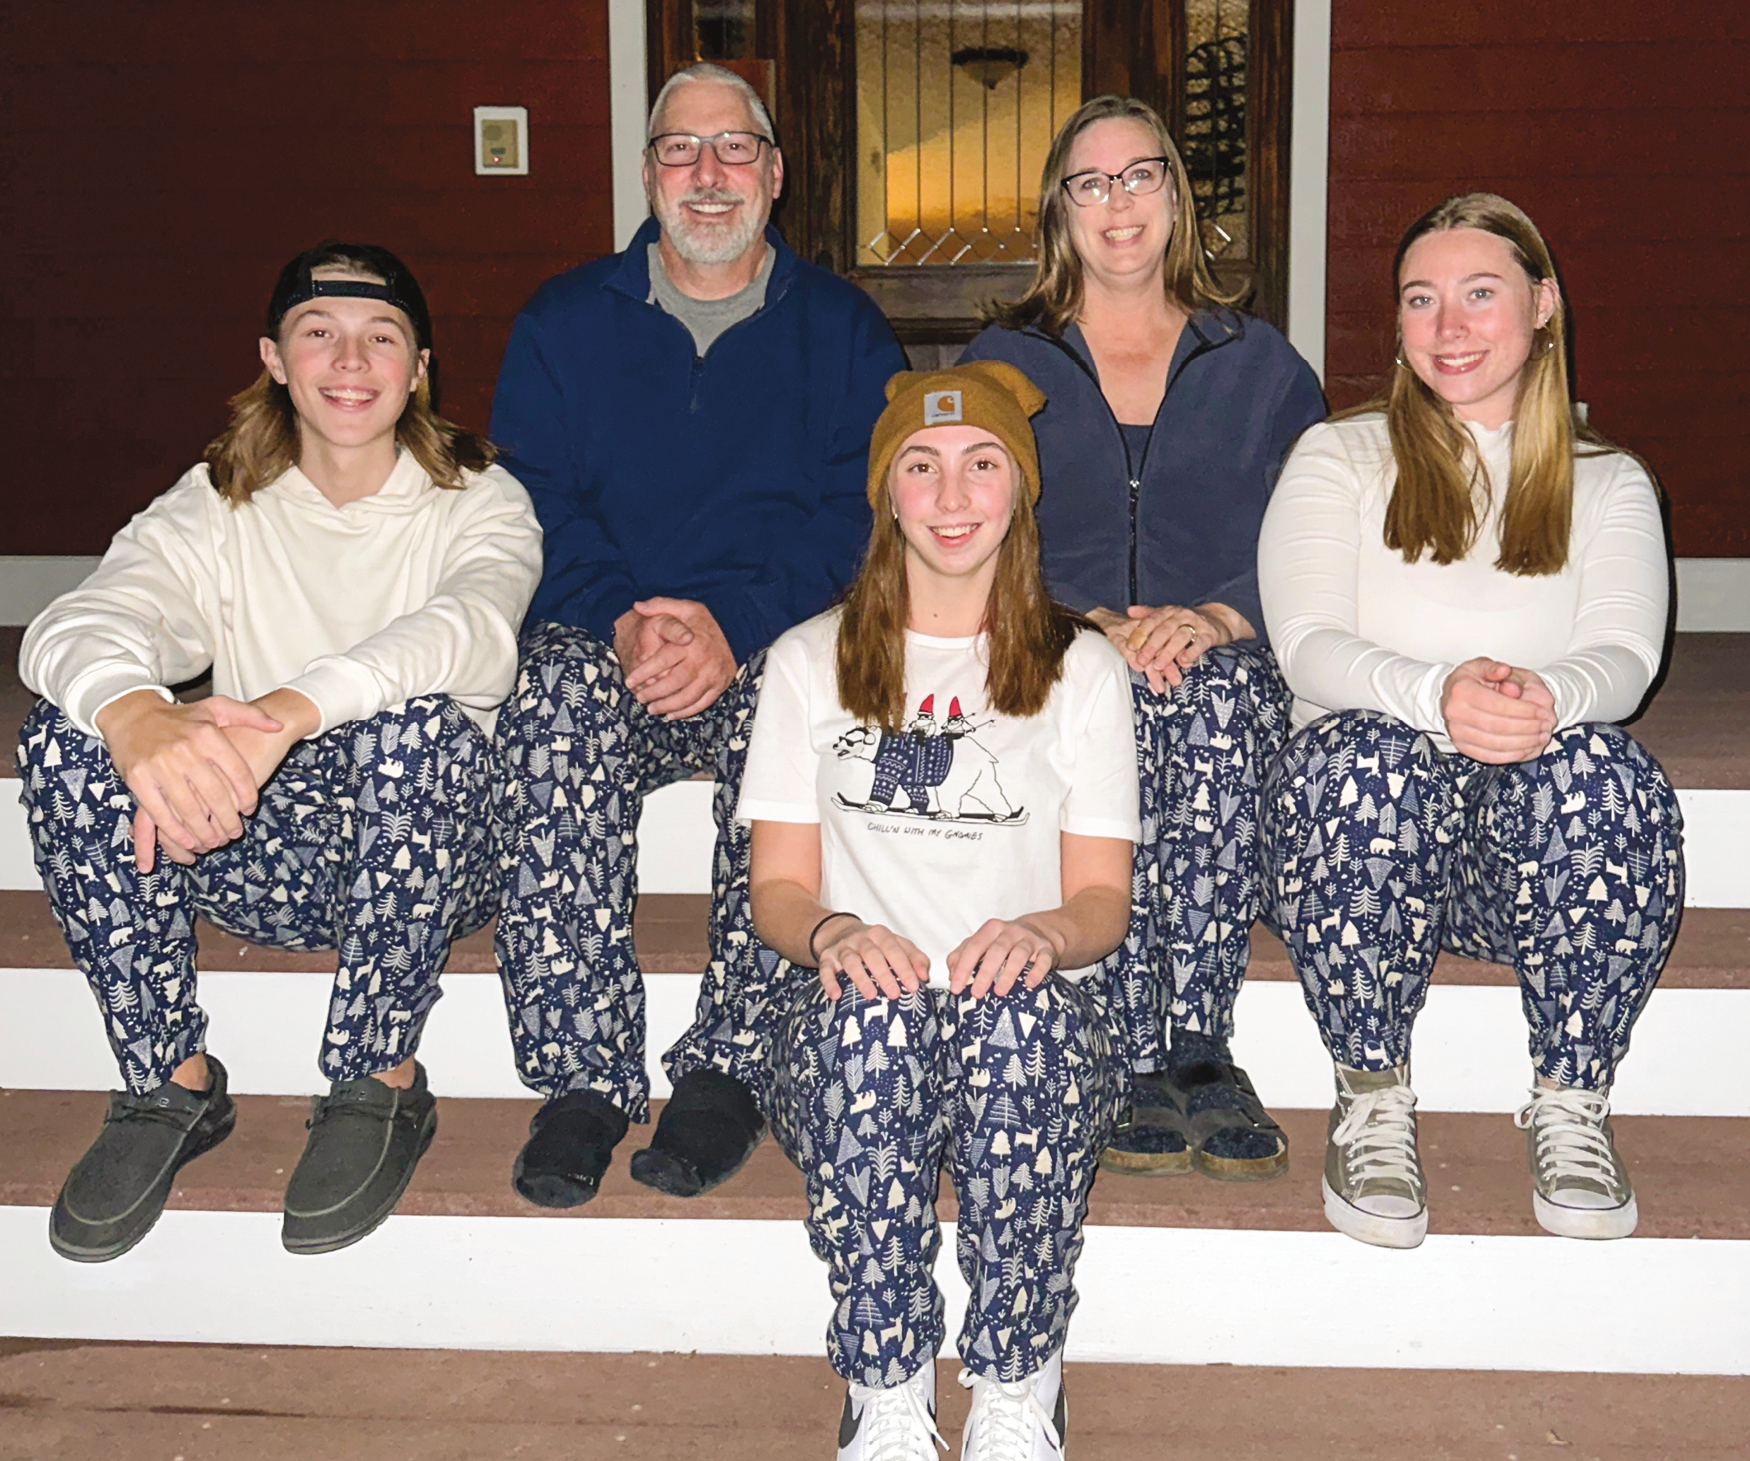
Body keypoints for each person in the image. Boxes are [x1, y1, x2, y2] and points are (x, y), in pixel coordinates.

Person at [16, 242, 541, 1261]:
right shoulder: (219, 499)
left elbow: (473, 631)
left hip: (434, 858)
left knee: (416, 723)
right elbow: (82, 623)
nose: (350, 361)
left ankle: (376, 1074)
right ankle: (168, 1078)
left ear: (420, 366)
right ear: (274, 357)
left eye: (380, 337)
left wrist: (290, 712)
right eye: (319, 334)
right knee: (67, 735)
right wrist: (137, 716)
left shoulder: (479, 498)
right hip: (252, 840)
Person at [488, 62, 905, 1208]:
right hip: (602, 629)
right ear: (647, 172)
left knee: (804, 706)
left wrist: (735, 623)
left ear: (773, 175)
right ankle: (582, 1075)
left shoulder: (841, 329)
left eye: (734, 152)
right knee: (549, 711)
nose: (707, 177)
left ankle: (727, 1067)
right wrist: (619, 613)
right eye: (682, 150)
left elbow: (866, 513)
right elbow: (522, 502)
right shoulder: (565, 322)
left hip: (766, 634)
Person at [1256, 193, 1683, 1249]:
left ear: (1542, 305)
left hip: (1517, 857)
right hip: (1353, 853)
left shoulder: (1608, 481)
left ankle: (1571, 1101)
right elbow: (1305, 644)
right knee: (1363, 755)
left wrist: (1549, 704)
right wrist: (1438, 693)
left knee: (1603, 772)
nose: (1448, 327)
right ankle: (1368, 1095)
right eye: (1420, 300)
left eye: (1479, 294)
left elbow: (1623, 659)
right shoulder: (1336, 458)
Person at [746, 362, 1139, 1459]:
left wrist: (1041, 933)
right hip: (856, 1014)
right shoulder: (805, 663)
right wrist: (831, 932)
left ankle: (1015, 1376)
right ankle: (887, 1383)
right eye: (921, 468)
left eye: (981, 467)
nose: (953, 496)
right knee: (870, 1029)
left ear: (1019, 491)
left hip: (1031, 1013)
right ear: (887, 494)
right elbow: (777, 888)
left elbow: (1101, 901)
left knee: (1013, 1021)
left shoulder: (1082, 670)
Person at [961, 95, 1325, 1180]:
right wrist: (1083, 626)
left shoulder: (1259, 365)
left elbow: (1315, 540)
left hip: (1219, 644)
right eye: (1089, 182)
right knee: (1100, 706)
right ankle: (1120, 1050)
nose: (1115, 202)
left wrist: (1215, 615)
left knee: (1206, 707)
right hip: (1050, 641)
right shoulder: (1001, 360)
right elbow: (955, 531)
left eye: (1137, 176)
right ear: (1058, 212)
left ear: (1175, 194)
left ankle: (1196, 1046)